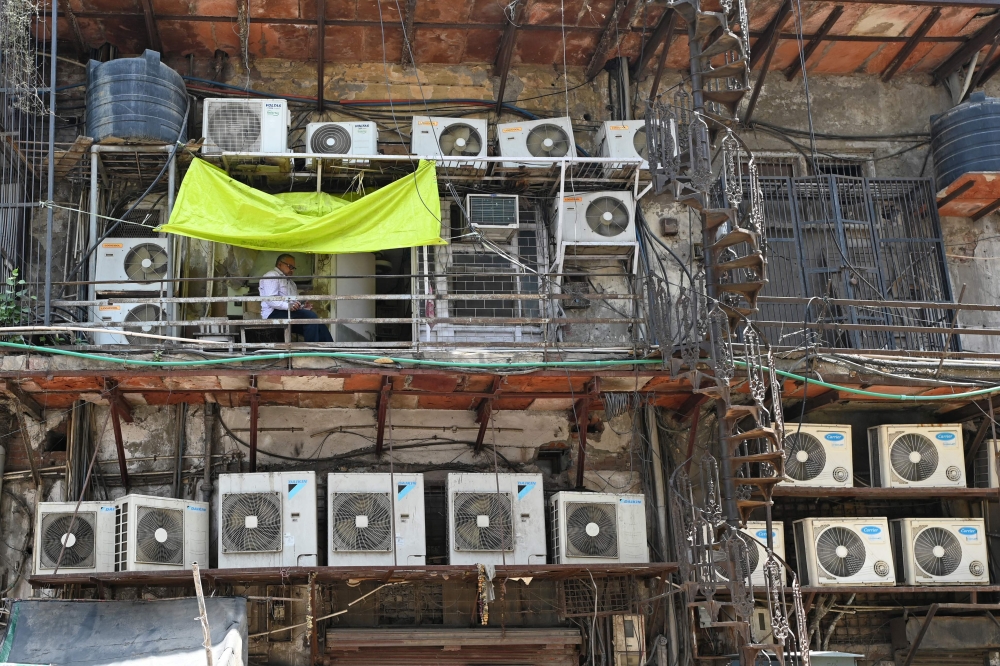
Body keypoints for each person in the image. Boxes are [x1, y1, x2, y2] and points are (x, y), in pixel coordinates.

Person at [258, 254, 334, 343]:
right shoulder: (271, 276)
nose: (292, 270)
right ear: (279, 264)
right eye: (290, 266)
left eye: (293, 268)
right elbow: (271, 300)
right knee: (310, 317)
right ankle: (311, 350)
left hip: (288, 313)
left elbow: (294, 303)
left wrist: (302, 307)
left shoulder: (292, 284)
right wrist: (289, 306)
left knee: (318, 324)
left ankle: (332, 350)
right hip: (273, 314)